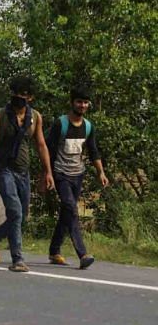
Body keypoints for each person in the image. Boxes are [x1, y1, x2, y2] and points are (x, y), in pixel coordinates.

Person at [0, 76, 55, 273]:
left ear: (30, 97)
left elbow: (40, 145)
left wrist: (47, 172)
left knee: (22, 216)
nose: (18, 98)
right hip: (2, 169)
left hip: (23, 171)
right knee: (15, 211)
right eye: (15, 93)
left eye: (23, 95)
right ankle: (18, 259)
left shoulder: (35, 117)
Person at [46, 86, 109, 270]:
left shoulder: (88, 126)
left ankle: (54, 250)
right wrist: (46, 174)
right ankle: (83, 254)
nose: (82, 105)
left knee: (67, 213)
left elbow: (93, 151)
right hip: (60, 173)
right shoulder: (61, 124)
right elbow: (47, 151)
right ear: (72, 103)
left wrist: (101, 173)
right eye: (79, 102)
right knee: (71, 208)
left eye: (85, 102)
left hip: (77, 174)